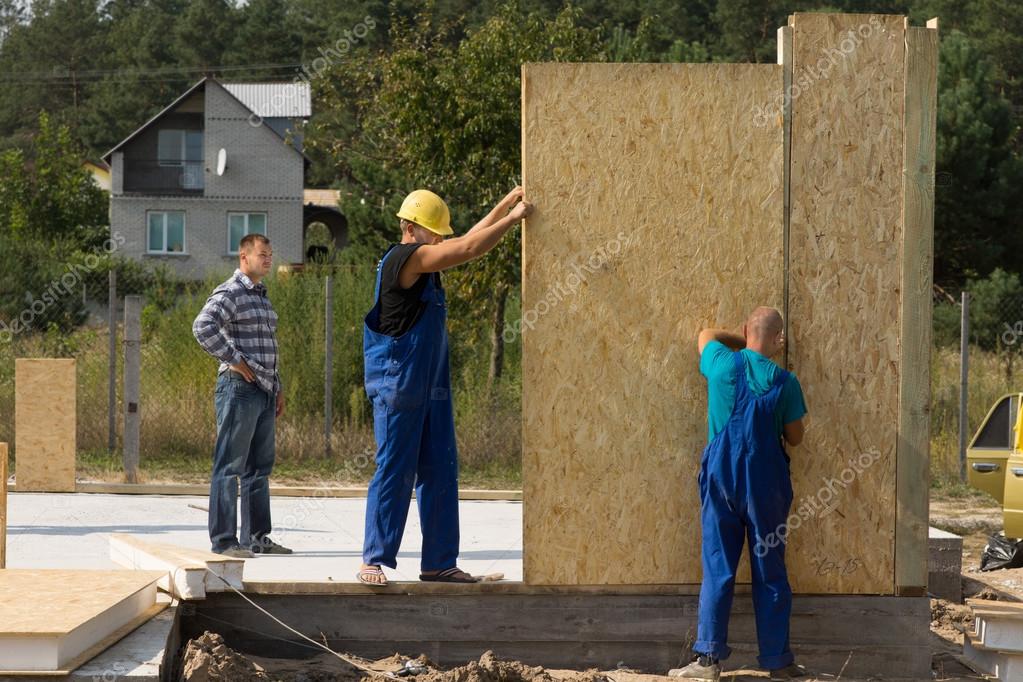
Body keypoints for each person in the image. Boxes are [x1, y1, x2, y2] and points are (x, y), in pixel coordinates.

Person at [357, 187, 533, 586]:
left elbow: (465, 238)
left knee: (440, 468)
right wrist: (513, 218)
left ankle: (438, 563)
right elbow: (469, 248)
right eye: (433, 233)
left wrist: (505, 202)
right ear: (410, 227)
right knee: (395, 468)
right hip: (398, 382)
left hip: (431, 383)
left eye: (439, 234)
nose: (438, 240)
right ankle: (373, 558)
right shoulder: (405, 258)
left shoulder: (427, 260)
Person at [671, 307, 807, 680]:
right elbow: (795, 438)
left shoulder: (719, 363)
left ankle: (708, 663)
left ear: (747, 330)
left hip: (722, 481)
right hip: (766, 489)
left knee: (718, 569)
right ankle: (778, 663)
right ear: (779, 340)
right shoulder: (785, 382)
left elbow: (706, 333)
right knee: (771, 573)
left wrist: (743, 338)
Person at [192, 233, 291, 558]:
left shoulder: (261, 297)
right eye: (263, 254)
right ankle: (224, 542)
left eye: (270, 254)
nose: (268, 259)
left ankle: (257, 538)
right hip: (238, 391)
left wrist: (276, 388)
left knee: (259, 469)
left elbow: (266, 348)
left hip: (263, 392)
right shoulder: (232, 291)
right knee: (229, 466)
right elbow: (203, 326)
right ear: (244, 257)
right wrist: (233, 359)